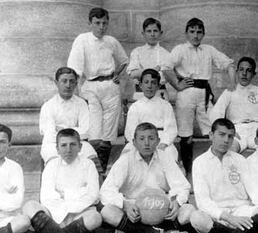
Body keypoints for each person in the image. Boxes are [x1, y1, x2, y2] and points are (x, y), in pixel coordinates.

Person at [100, 122, 194, 233]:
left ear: (158, 141)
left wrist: (177, 202)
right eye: (142, 139)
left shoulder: (165, 157)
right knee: (107, 212)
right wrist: (125, 204)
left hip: (162, 208)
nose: (146, 143)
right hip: (135, 211)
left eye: (151, 138)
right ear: (134, 142)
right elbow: (106, 190)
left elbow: (183, 186)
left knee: (188, 211)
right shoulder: (125, 160)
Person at [163, 17, 235, 175]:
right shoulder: (180, 49)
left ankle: (215, 169)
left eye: (199, 32)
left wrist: (232, 82)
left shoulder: (208, 49)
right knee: (185, 135)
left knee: (213, 129)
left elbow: (228, 63)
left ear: (203, 34)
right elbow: (166, 68)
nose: (195, 35)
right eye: (192, 32)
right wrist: (177, 84)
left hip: (204, 94)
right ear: (186, 33)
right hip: (186, 93)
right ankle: (187, 172)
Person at [67, 7, 129, 172]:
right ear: (90, 23)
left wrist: (118, 75)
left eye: (104, 23)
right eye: (97, 23)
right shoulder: (82, 40)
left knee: (108, 132)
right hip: (91, 86)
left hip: (110, 86)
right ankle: (92, 171)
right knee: (94, 130)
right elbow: (75, 67)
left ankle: (101, 170)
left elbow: (124, 60)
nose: (101, 27)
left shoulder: (111, 41)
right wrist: (75, 89)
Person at [22, 128, 102, 233]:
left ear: (80, 147)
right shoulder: (52, 166)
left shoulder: (88, 165)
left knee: (95, 218)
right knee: (29, 206)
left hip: (79, 213)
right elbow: (47, 197)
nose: (68, 149)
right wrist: (78, 192)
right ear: (57, 149)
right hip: (54, 213)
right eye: (63, 145)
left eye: (73, 144)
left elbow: (93, 195)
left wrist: (65, 195)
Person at [210, 57, 258, 153]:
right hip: (237, 130)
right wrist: (226, 132)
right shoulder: (229, 91)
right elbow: (216, 112)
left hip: (256, 130)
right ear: (237, 72)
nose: (244, 73)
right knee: (229, 149)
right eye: (241, 70)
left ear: (254, 74)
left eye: (248, 70)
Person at [39, 67, 101, 172]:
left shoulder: (81, 104)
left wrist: (62, 130)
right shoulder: (48, 106)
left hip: (77, 143)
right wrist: (74, 130)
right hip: (53, 145)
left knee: (89, 154)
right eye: (64, 81)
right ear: (56, 83)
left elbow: (86, 131)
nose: (68, 85)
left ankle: (91, 186)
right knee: (54, 162)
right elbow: (49, 134)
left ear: (76, 84)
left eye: (72, 81)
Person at [123, 69, 178, 161]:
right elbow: (130, 130)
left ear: (158, 86)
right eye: (146, 82)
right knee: (126, 156)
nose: (149, 86)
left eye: (153, 83)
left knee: (169, 154)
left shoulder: (165, 105)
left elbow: (171, 129)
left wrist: (163, 143)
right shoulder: (135, 107)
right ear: (140, 85)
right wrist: (140, 144)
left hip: (161, 140)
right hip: (140, 141)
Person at [127, 17, 171, 101]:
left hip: (160, 92)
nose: (152, 34)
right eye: (149, 31)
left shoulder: (166, 54)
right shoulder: (137, 52)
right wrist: (155, 69)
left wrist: (141, 72)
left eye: (155, 31)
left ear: (160, 33)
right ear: (143, 33)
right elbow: (132, 74)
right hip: (140, 93)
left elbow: (166, 77)